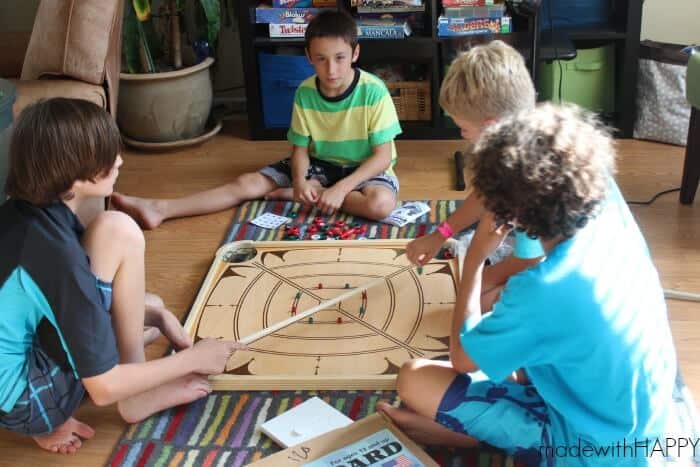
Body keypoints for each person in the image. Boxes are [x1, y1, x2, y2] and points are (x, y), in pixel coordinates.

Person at [379, 104, 678, 466]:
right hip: (660, 418)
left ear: (514, 214)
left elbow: (461, 358)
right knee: (514, 331)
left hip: (600, 452)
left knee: (414, 379)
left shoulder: (545, 288)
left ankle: (478, 438)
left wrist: (474, 257)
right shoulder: (606, 199)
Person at [0, 98, 243, 454]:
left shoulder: (24, 214)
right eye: (108, 155)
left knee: (147, 301)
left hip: (14, 374)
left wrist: (154, 314)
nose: (119, 160)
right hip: (26, 401)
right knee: (119, 231)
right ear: (76, 174)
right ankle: (137, 397)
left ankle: (127, 365)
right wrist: (193, 359)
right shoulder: (56, 257)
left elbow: (54, 303)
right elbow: (103, 387)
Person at [111, 10, 402, 229]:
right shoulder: (305, 92)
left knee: (380, 205)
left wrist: (339, 189)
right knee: (247, 183)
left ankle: (318, 193)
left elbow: (382, 157)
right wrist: (300, 180)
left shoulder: (373, 91)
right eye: (321, 59)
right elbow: (299, 149)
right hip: (319, 164)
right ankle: (160, 208)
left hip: (363, 169)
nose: (331, 69)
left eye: (340, 58)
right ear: (308, 57)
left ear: (355, 53)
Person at [406, 40, 543, 309]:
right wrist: (439, 235)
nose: (462, 135)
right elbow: (484, 194)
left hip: (582, 278)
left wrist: (477, 276)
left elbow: (531, 260)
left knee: (475, 303)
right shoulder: (522, 134)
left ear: (491, 127)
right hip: (567, 258)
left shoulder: (527, 176)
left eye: (463, 128)